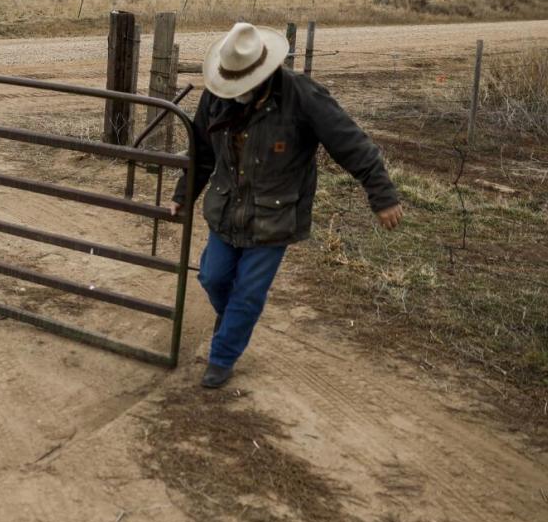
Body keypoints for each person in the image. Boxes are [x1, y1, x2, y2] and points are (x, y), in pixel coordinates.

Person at [171, 22, 403, 388]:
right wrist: (183, 196)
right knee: (213, 277)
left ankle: (222, 356)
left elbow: (352, 144)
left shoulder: (303, 96)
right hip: (226, 209)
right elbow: (201, 152)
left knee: (248, 292)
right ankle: (233, 321)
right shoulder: (216, 97)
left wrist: (382, 195)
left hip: (274, 216)